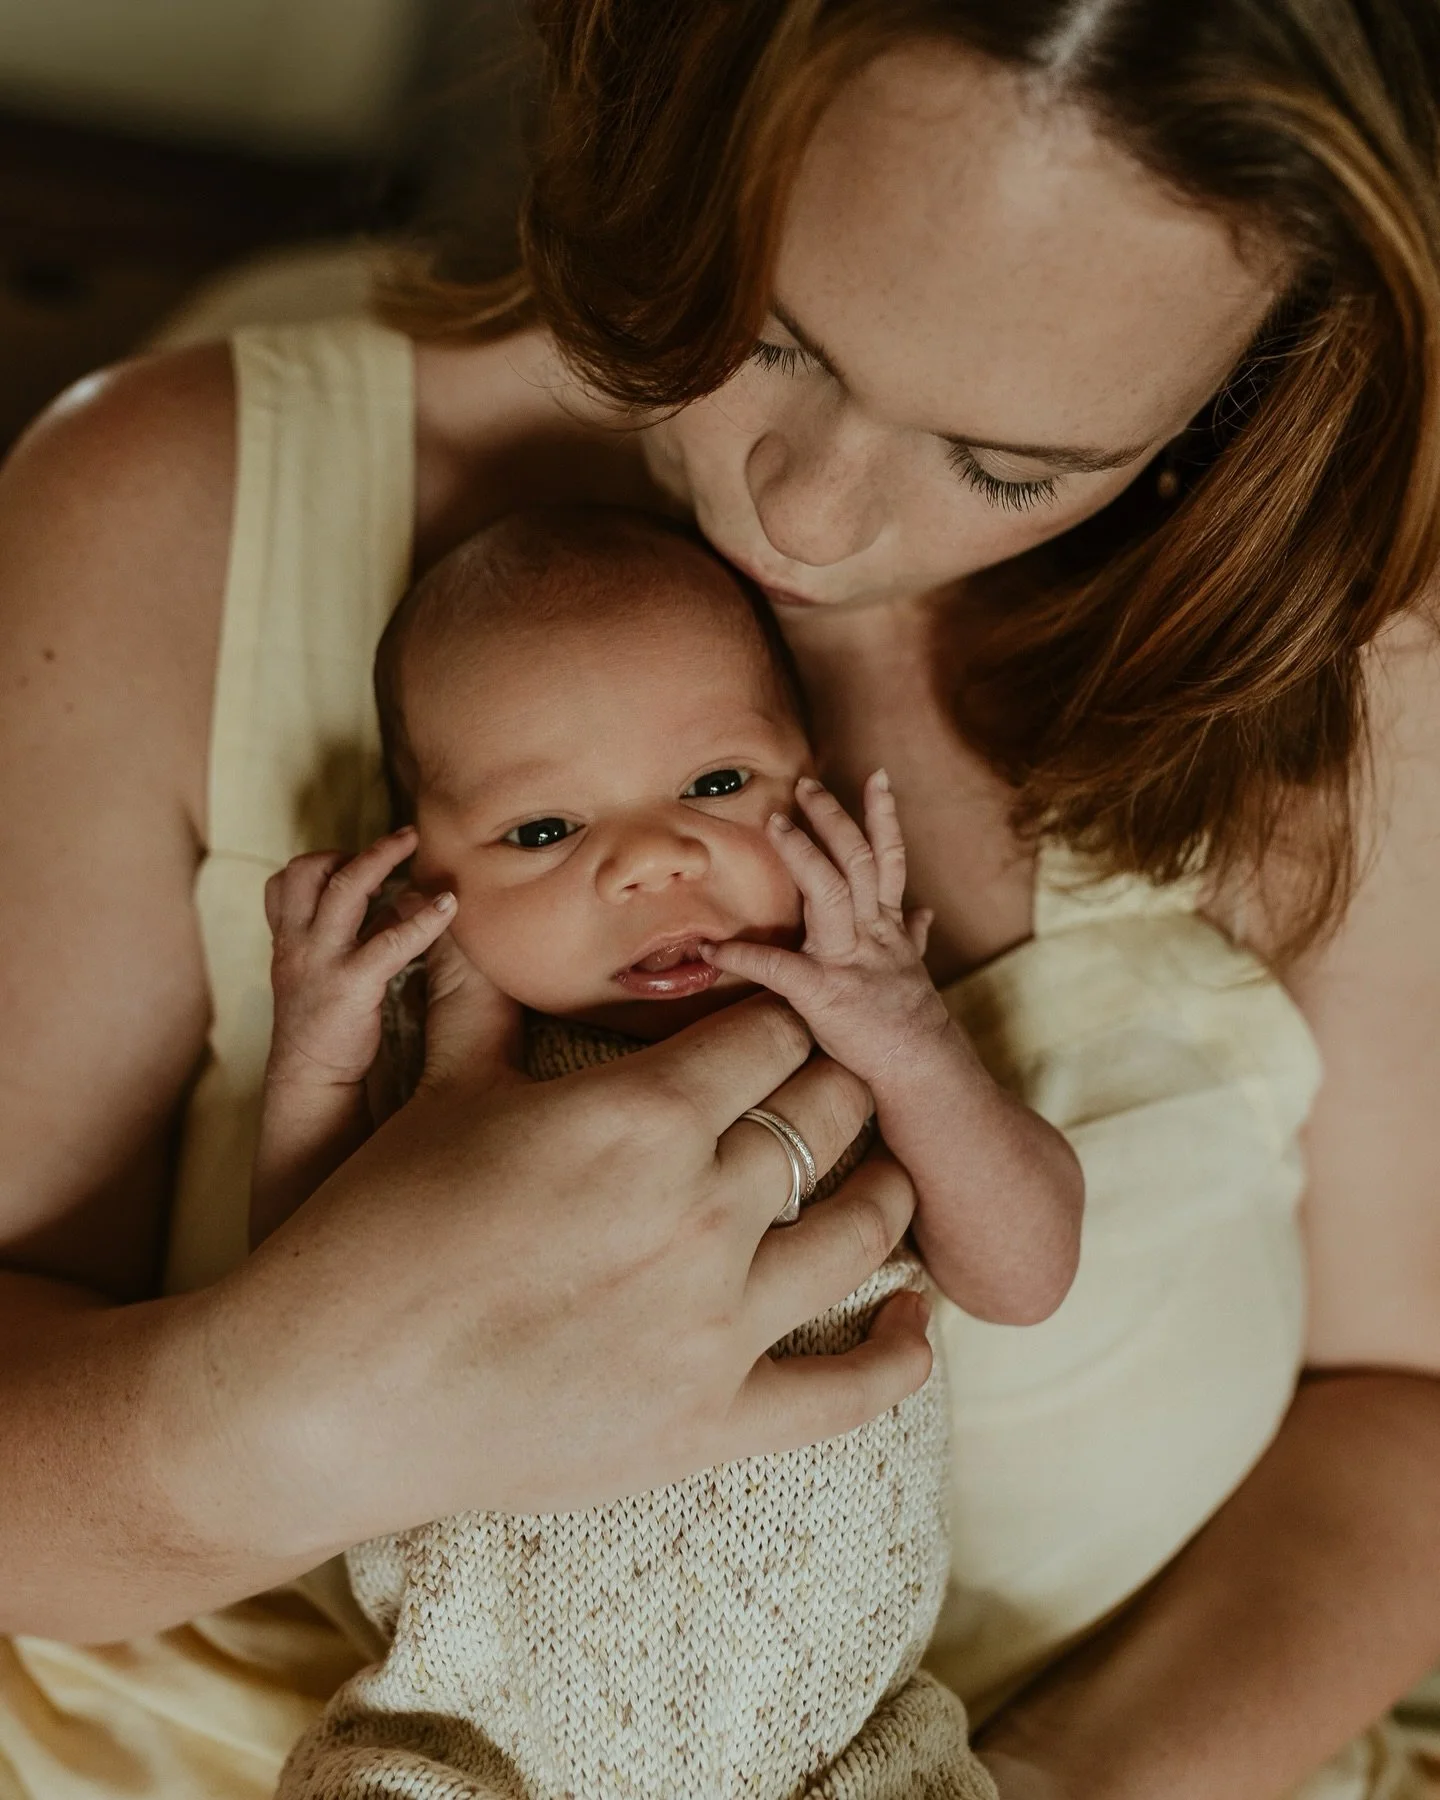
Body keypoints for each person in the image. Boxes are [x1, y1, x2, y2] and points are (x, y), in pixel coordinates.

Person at [1, 3, 1438, 1798]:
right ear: (678, 117)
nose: (809, 521)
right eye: (770, 334)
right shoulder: (160, 506)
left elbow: (1405, 1422)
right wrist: (287, 1407)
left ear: (1237, 394)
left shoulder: (1332, 677)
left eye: (1012, 466)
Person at [262, 504, 1078, 1799]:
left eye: (715, 784)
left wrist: (914, 1037)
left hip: (844, 1751)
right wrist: (317, 1057)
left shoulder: (853, 1038)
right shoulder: (455, 1093)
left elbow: (1026, 1271)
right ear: (426, 882)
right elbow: (295, 1315)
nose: (653, 859)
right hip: (458, 1744)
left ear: (812, 779)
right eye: (543, 830)